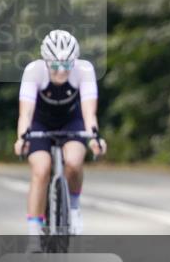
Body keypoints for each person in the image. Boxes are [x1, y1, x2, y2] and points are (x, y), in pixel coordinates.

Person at [14, 30, 106, 242]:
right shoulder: (34, 71)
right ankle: (34, 233)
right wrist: (21, 139)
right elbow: (25, 114)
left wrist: (94, 138)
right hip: (40, 123)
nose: (62, 70)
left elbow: (89, 113)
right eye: (55, 65)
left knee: (73, 163)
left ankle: (74, 208)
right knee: (41, 169)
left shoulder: (84, 70)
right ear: (46, 62)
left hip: (71, 121)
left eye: (67, 64)